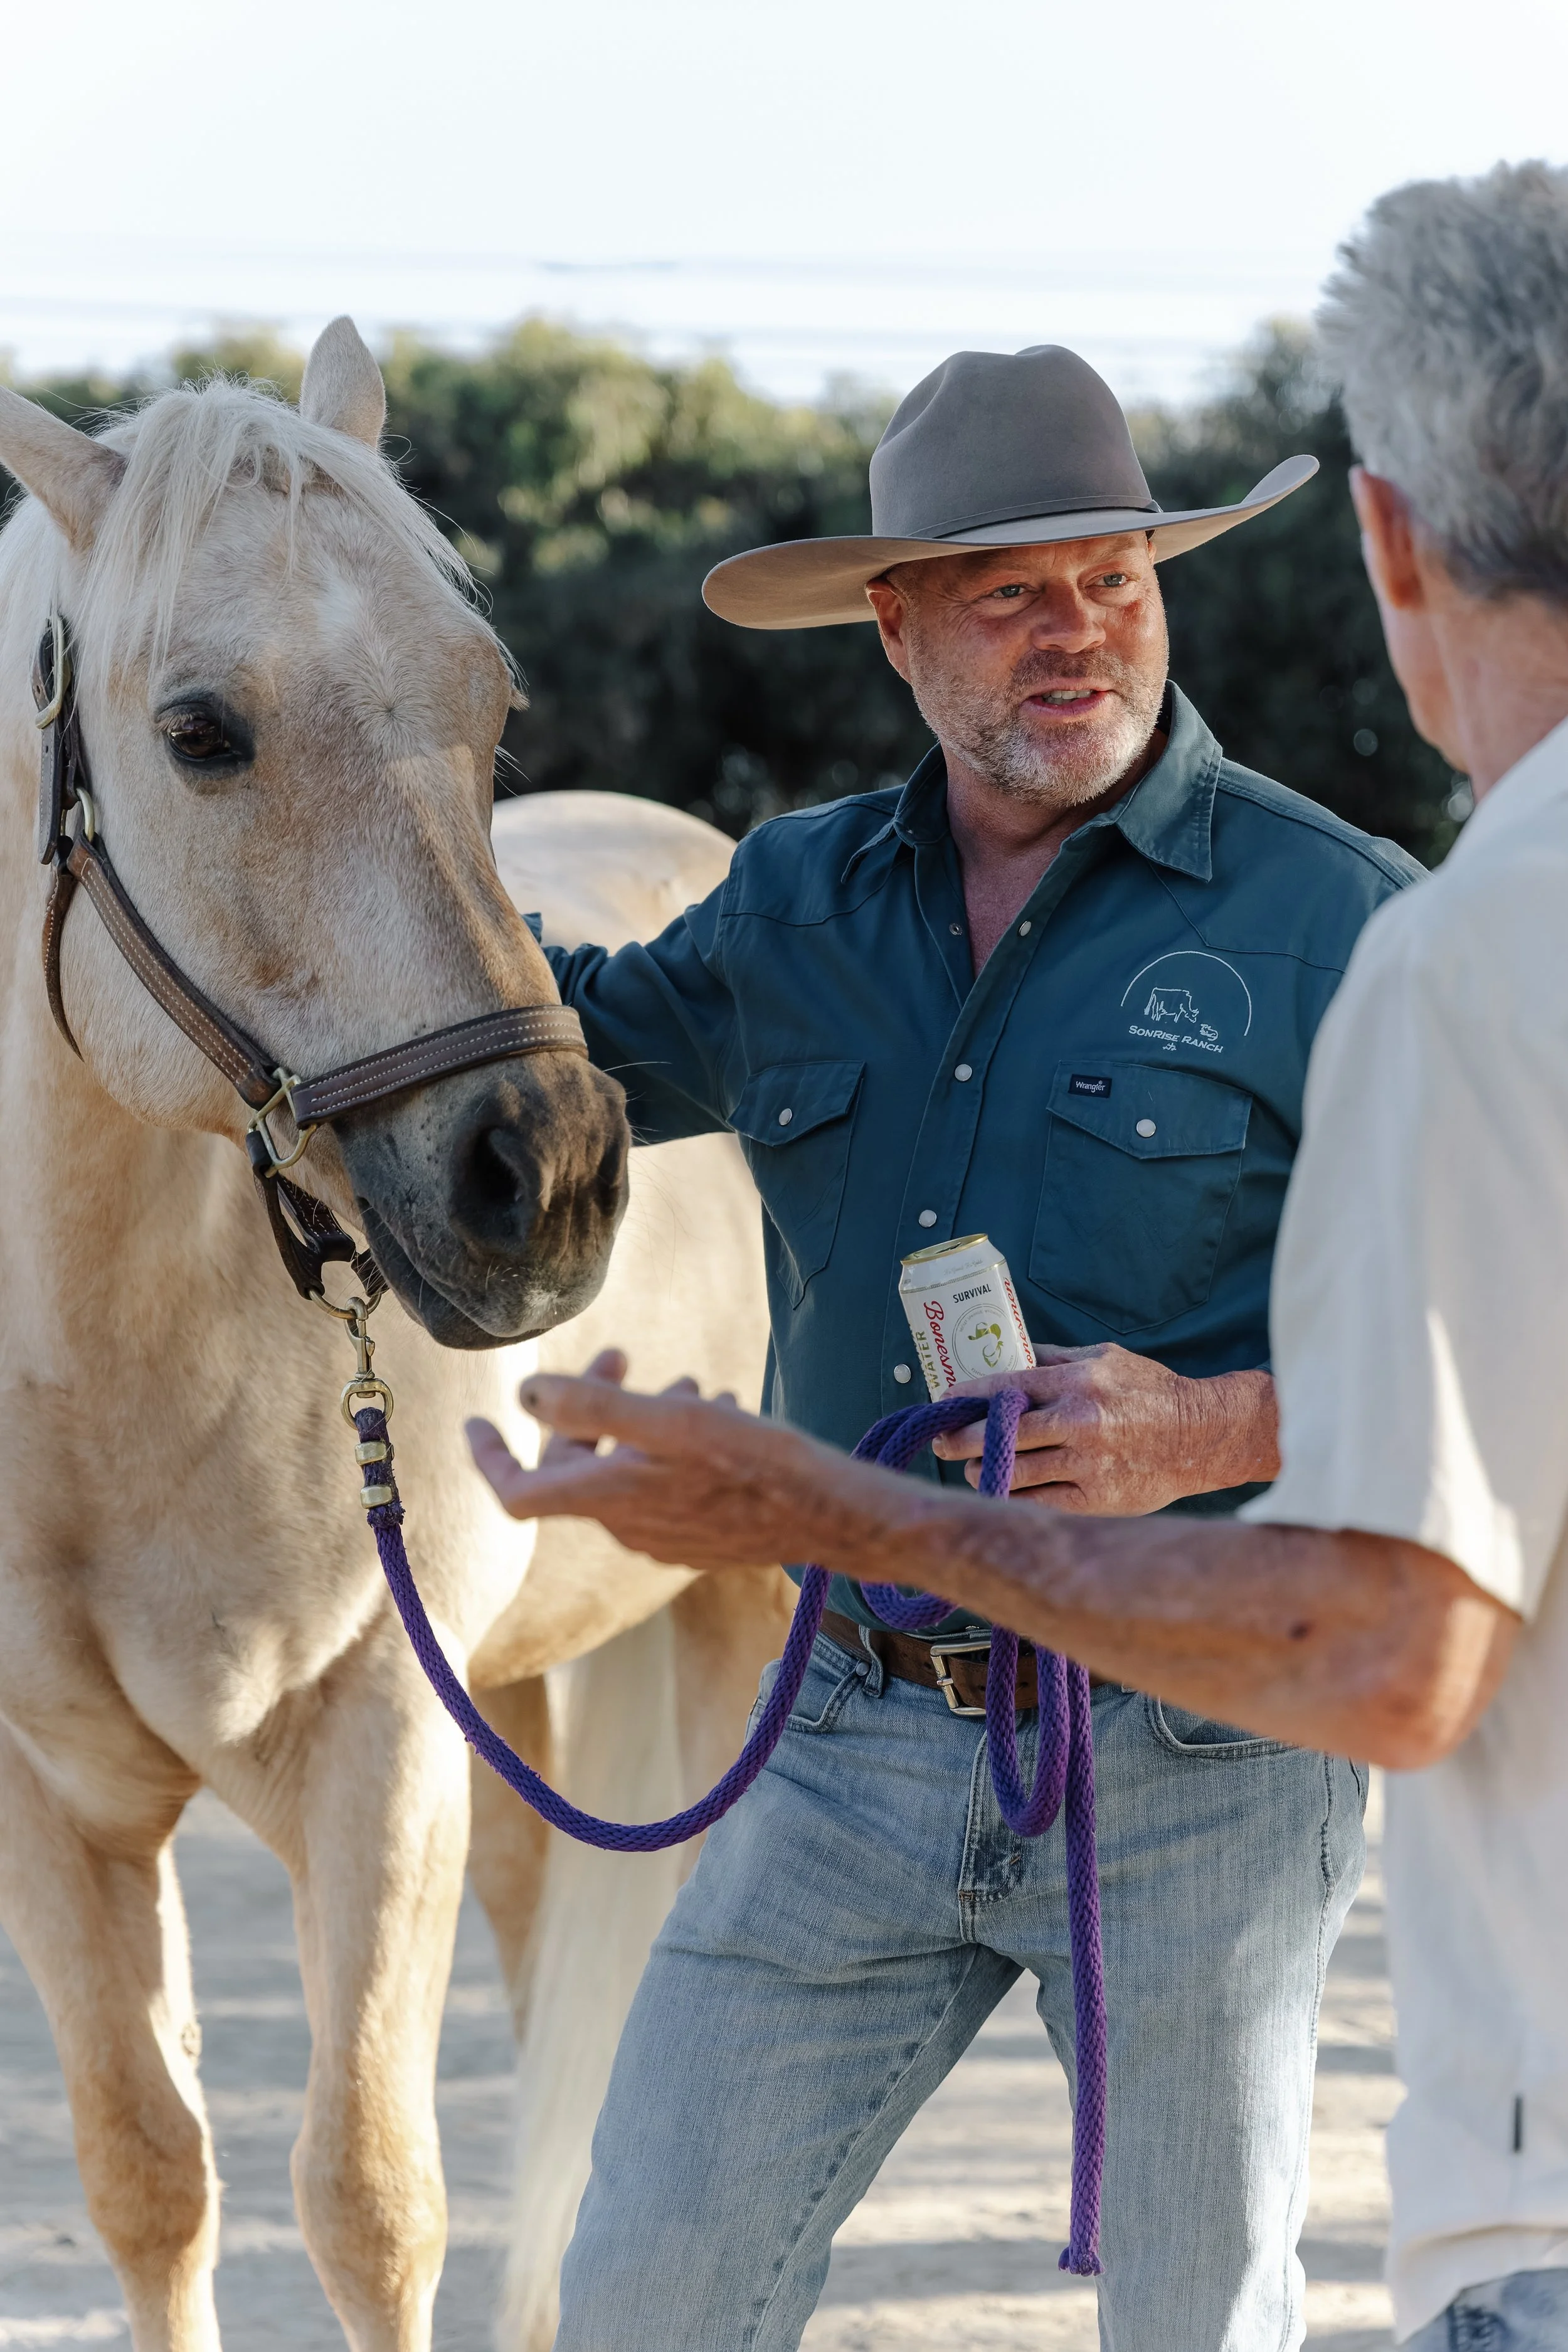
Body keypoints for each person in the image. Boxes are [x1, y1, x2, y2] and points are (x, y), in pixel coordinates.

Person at [476, 166, 1568, 2352]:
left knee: (1198, 2323)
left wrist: (1214, 1423)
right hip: (850, 1729)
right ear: (894, 630)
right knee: (646, 2289)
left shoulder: (1356, 922)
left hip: (1208, 1763)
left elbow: (1496, 1363)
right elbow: (539, 1055)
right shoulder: (788, 906)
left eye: (1109, 577)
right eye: (1000, 595)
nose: (1073, 627)